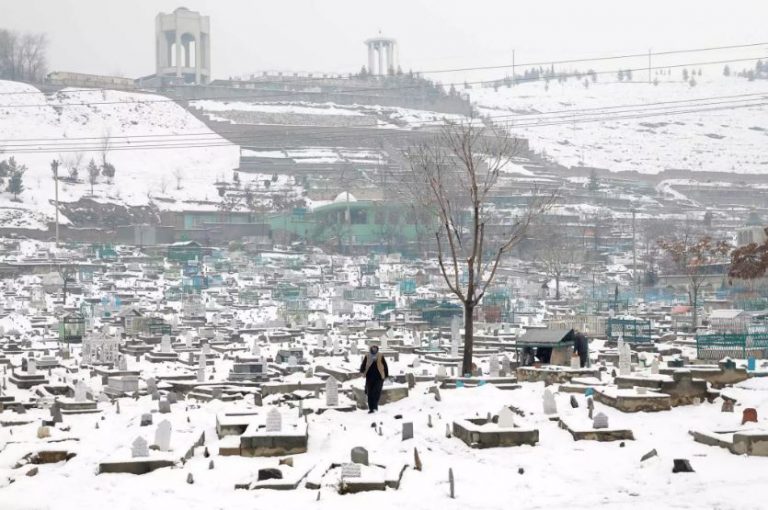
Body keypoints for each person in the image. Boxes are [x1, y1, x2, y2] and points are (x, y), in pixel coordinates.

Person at [359, 345, 389, 413]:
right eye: (373, 348)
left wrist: (386, 375)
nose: (374, 349)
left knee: (376, 392)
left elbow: (385, 365)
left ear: (377, 349)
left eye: (375, 348)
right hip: (369, 377)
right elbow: (363, 364)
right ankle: (371, 408)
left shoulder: (380, 355)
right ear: (371, 349)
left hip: (379, 377)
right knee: (370, 393)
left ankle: (375, 407)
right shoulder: (367, 355)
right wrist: (362, 370)